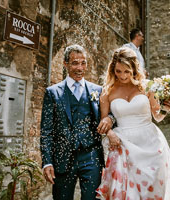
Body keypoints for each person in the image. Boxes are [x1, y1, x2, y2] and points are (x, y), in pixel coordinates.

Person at [96, 47, 170, 200]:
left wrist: (164, 110)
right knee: (128, 192)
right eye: (118, 71)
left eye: (127, 71)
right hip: (123, 144)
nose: (122, 76)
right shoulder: (107, 91)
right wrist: (110, 134)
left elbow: (157, 116)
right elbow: (104, 121)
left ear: (134, 69)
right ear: (113, 69)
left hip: (150, 142)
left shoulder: (147, 86)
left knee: (154, 187)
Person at [40, 44, 114, 200]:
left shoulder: (98, 91)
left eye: (83, 62)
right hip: (62, 158)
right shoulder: (52, 93)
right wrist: (47, 162)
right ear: (65, 64)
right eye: (75, 63)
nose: (80, 67)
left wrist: (109, 118)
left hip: (91, 157)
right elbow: (46, 130)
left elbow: (113, 115)